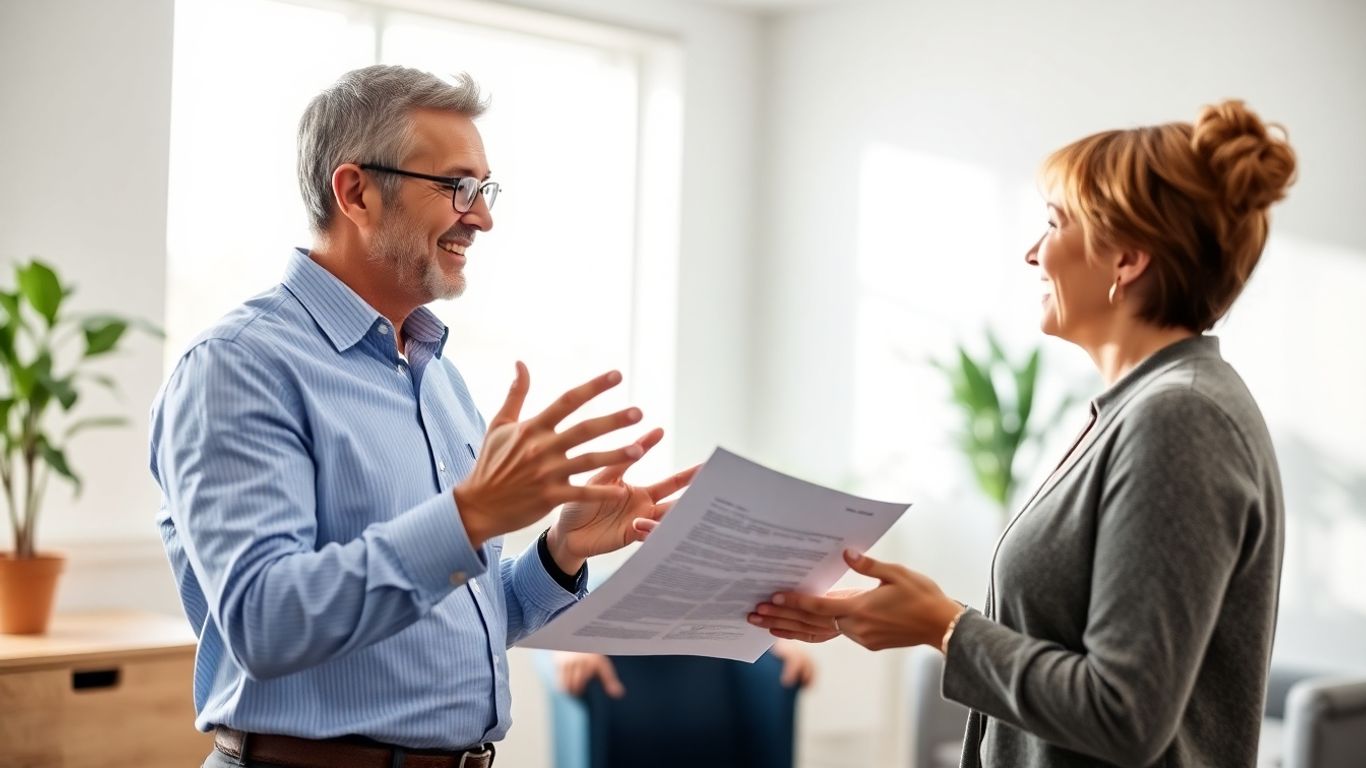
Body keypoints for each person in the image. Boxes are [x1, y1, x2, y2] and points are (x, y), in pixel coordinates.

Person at [151, 64, 696, 768]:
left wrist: (559, 555)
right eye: (457, 187)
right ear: (356, 192)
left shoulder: (439, 380)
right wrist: (470, 516)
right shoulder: (239, 367)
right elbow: (266, 621)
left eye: (485, 189)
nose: (483, 215)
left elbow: (449, 623)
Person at [749, 100, 1296, 768]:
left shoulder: (1180, 418)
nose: (1032, 252)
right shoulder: (1142, 410)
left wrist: (944, 627)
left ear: (1126, 257)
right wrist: (908, 617)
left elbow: (1124, 713)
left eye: (1055, 222)